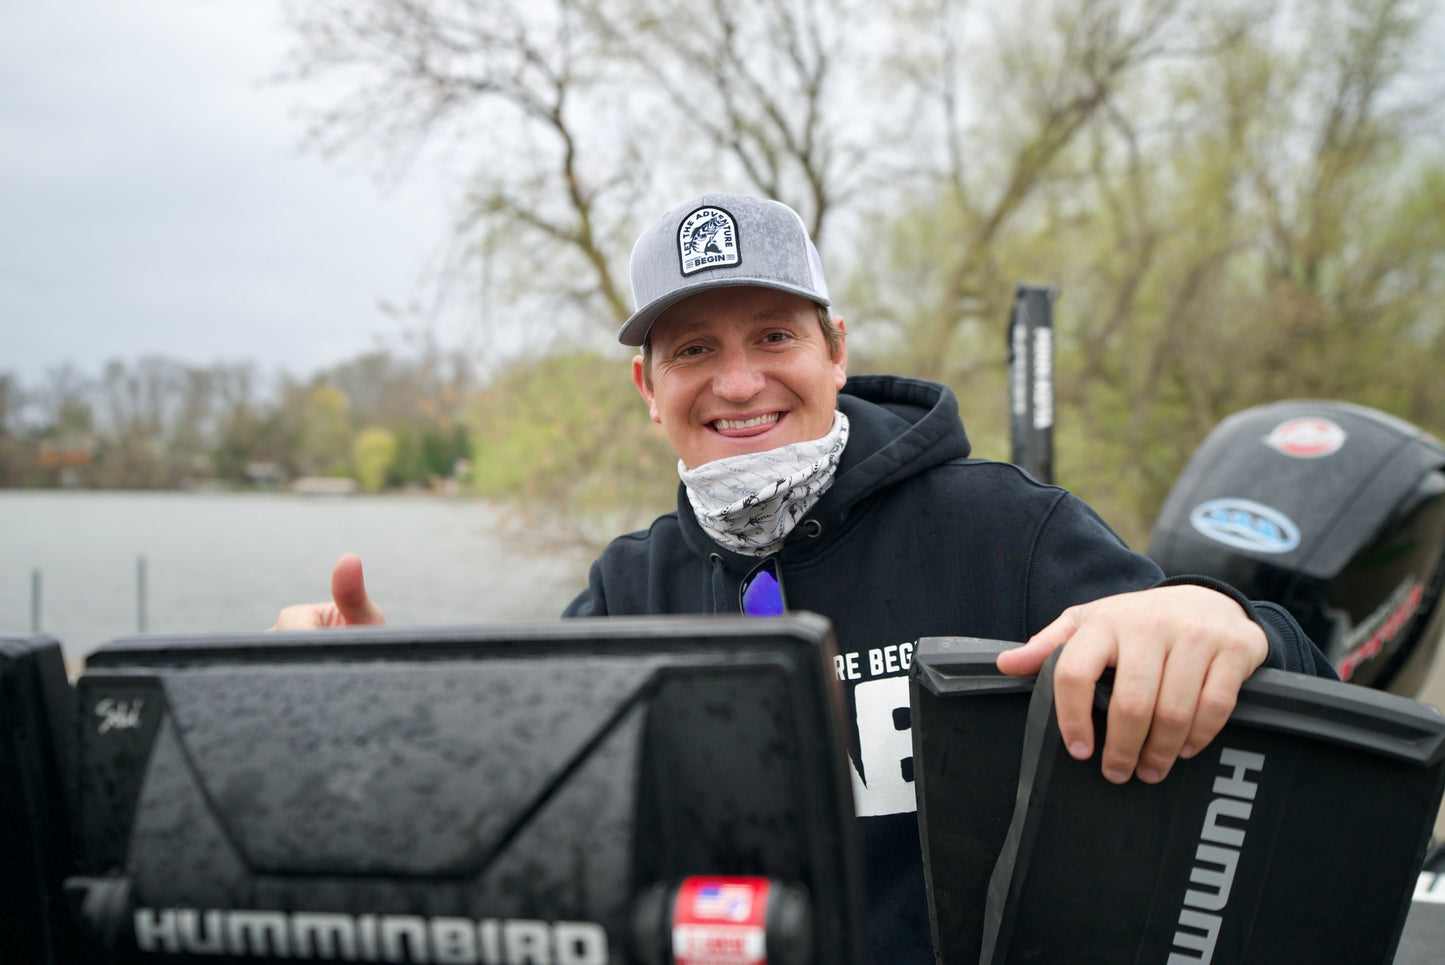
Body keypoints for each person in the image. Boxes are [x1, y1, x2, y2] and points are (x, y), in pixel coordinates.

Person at [274, 192, 1336, 961]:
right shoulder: (626, 586)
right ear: (649, 388)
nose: (738, 380)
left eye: (773, 333)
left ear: (834, 348)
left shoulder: (1005, 525)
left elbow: (1293, 700)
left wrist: (1217, 618)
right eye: (693, 350)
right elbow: (510, 793)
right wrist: (382, 702)